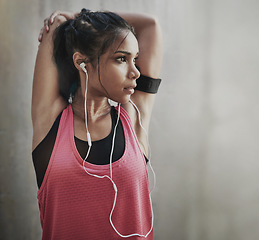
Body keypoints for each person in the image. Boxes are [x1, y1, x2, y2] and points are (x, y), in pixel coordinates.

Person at [31, 8, 162, 239]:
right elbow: (56, 26)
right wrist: (71, 24)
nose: (135, 72)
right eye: (121, 59)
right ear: (82, 62)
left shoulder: (133, 117)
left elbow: (150, 26)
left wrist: (79, 16)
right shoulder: (50, 121)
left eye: (135, 60)